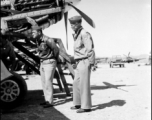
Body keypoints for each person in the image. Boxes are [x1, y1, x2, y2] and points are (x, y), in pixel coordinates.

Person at [69, 16, 96, 113]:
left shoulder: (84, 33)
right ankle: (78, 103)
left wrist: (92, 63)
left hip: (85, 61)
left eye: (72, 25)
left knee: (84, 84)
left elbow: (90, 49)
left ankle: (86, 107)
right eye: (71, 25)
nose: (71, 26)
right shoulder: (77, 34)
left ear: (78, 24)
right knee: (76, 83)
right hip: (79, 62)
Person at [31, 26, 59, 108]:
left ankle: (50, 102)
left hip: (49, 62)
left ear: (39, 32)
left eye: (33, 32)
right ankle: (47, 100)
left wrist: (54, 59)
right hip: (42, 62)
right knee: (44, 82)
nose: (32, 34)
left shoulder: (48, 39)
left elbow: (56, 49)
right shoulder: (38, 40)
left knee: (48, 82)